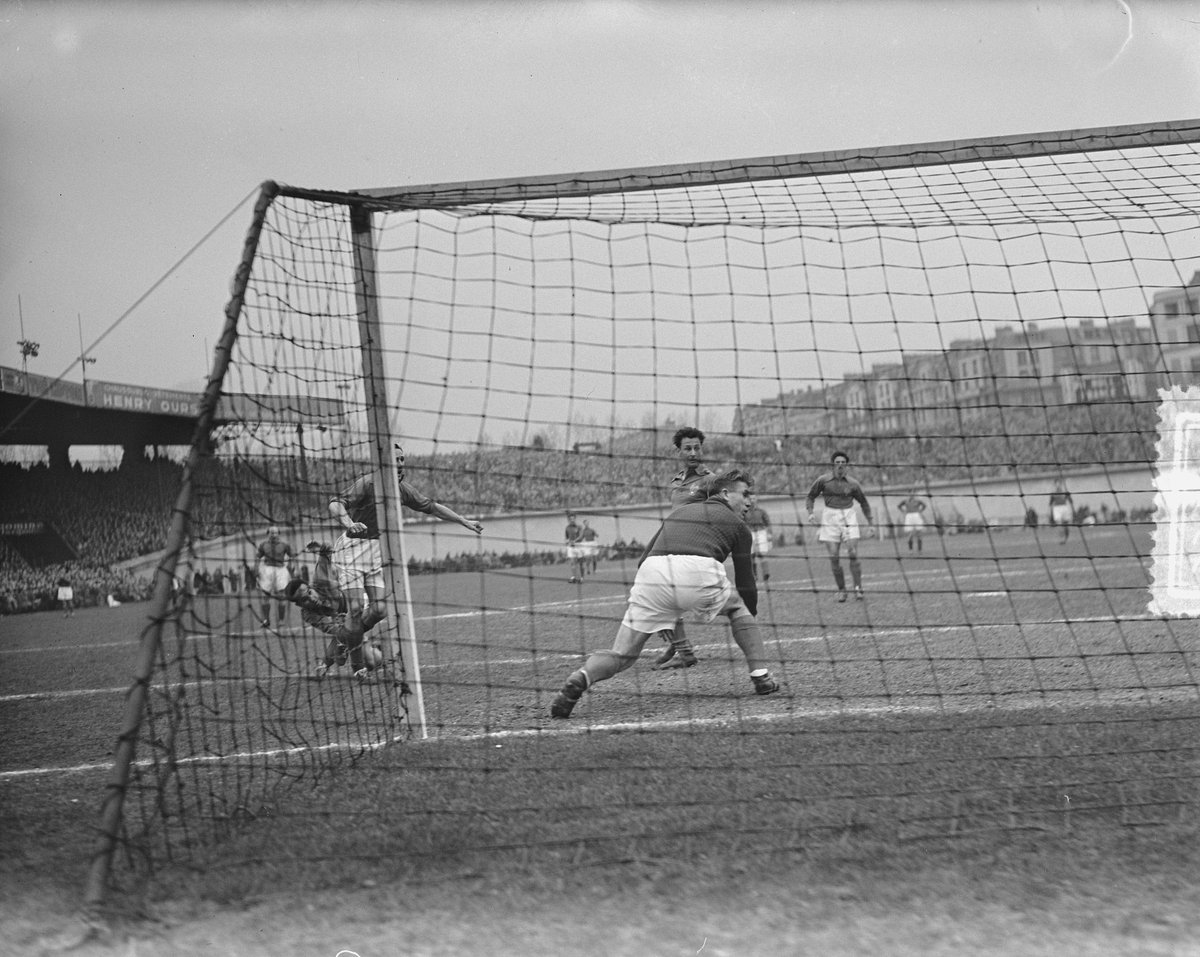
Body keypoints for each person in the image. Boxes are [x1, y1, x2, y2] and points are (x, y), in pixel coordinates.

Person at [549, 469, 780, 718]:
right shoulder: (739, 526)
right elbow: (746, 582)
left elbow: (643, 560)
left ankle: (581, 677)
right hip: (696, 569)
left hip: (652, 573)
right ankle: (761, 677)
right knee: (737, 608)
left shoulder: (679, 513)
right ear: (725, 493)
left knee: (622, 655)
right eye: (745, 494)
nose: (749, 501)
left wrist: (662, 613)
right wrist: (750, 616)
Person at [328, 446, 483, 680]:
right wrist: (349, 523)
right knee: (357, 608)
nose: (400, 463)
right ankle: (358, 668)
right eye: (395, 459)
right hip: (350, 550)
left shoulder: (401, 490)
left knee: (380, 610)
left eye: (402, 459)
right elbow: (335, 504)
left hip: (376, 551)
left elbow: (432, 507)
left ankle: (345, 638)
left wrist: (464, 521)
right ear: (383, 462)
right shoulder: (368, 484)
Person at [654, 426, 714, 669]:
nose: (692, 452)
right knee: (668, 596)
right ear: (678, 451)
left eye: (697, 448)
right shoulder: (676, 481)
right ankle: (678, 645)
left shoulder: (710, 480)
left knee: (665, 594)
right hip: (674, 545)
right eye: (687, 448)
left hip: (696, 548)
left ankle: (684, 651)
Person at [284, 542, 380, 679]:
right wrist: (342, 643)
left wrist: (322, 550)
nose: (310, 599)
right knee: (363, 660)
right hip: (347, 625)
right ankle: (331, 661)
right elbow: (334, 630)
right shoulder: (308, 615)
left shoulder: (320, 582)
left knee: (370, 661)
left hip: (361, 605)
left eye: (309, 593)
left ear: (310, 586)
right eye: (304, 600)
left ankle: (324, 665)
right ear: (299, 604)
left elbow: (326, 552)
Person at [805, 450, 874, 602]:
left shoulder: (853, 484)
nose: (840, 466)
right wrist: (810, 513)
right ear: (833, 465)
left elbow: (864, 503)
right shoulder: (823, 481)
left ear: (847, 466)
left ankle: (858, 588)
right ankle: (842, 590)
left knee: (852, 552)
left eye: (843, 463)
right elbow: (810, 496)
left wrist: (871, 523)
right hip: (830, 517)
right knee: (834, 556)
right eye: (838, 463)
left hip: (848, 516)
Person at [255, 526, 294, 628]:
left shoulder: (284, 545)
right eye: (271, 533)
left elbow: (292, 556)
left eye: (275, 533)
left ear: (279, 534)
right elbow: (257, 558)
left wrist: (291, 565)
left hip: (280, 570)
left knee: (281, 596)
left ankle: (281, 620)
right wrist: (256, 570)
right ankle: (266, 620)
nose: (273, 535)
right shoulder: (263, 545)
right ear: (268, 534)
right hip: (267, 570)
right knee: (265, 596)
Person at [744, 492, 773, 581]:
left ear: (756, 499)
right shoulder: (744, 511)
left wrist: (769, 534)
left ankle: (766, 573)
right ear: (748, 500)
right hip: (750, 534)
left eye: (754, 498)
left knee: (762, 554)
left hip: (761, 533)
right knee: (751, 555)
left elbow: (768, 523)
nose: (752, 501)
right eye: (751, 499)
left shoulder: (761, 511)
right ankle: (754, 575)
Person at [564, 512, 586, 583]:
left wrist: (574, 541)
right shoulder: (567, 528)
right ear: (569, 520)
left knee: (581, 563)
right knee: (572, 562)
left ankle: (582, 578)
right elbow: (567, 537)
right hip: (571, 547)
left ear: (575, 519)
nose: (572, 520)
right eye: (570, 519)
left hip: (579, 546)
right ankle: (573, 577)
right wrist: (567, 542)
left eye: (573, 518)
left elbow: (581, 536)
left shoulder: (579, 527)